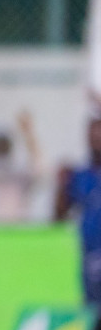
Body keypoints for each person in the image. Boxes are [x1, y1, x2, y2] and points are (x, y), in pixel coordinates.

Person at [54, 115, 101, 304]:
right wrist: (61, 186)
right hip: (90, 259)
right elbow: (59, 216)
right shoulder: (80, 175)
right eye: (93, 133)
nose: (97, 137)